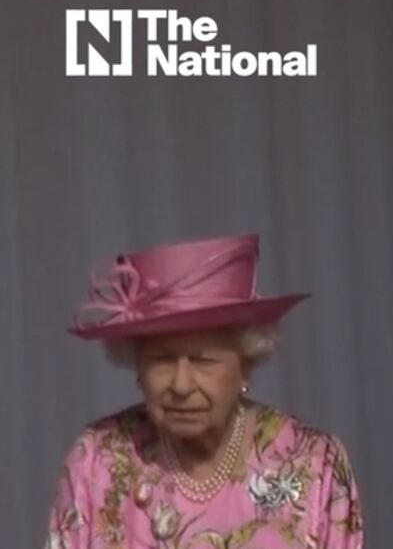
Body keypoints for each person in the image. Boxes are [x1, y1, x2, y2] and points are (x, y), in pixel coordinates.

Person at [45, 234, 363, 549]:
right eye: (162, 360)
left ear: (246, 363)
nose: (181, 385)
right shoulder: (96, 461)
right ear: (137, 366)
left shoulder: (314, 464)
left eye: (203, 360)